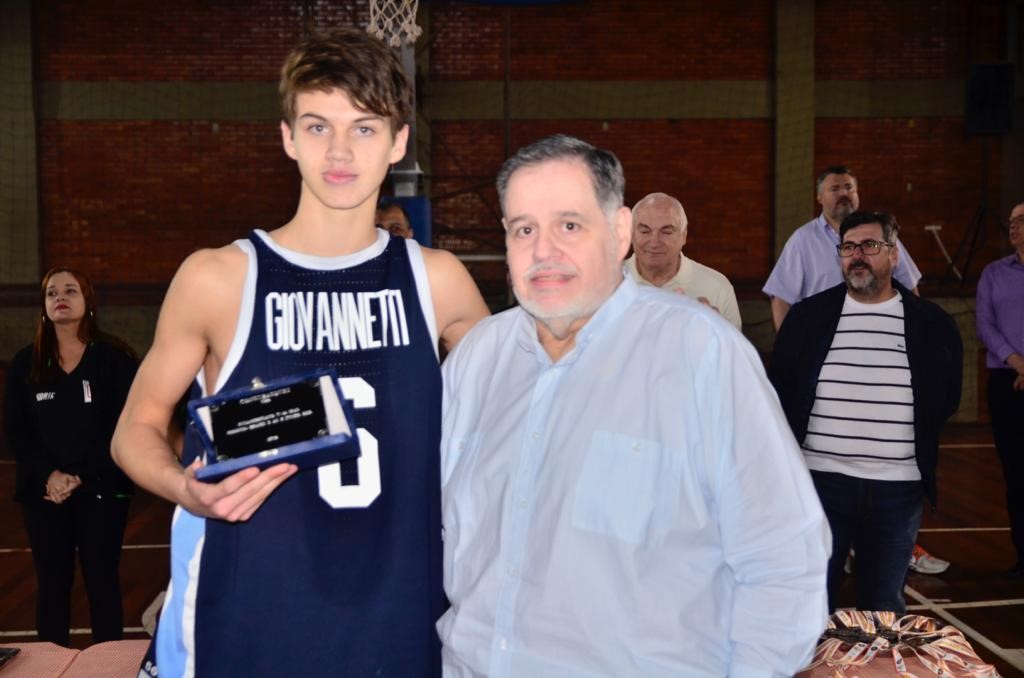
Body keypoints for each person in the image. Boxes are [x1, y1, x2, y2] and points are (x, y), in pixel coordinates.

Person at [111, 28, 488, 677]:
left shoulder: (439, 280)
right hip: (249, 616)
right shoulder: (218, 278)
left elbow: (515, 420)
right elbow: (134, 429)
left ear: (399, 141)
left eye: (364, 128)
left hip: (398, 621)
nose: (340, 151)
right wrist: (185, 488)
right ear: (288, 136)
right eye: (318, 127)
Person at [439, 134, 829, 677]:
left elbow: (784, 557)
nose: (543, 250)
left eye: (569, 225)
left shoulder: (701, 354)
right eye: (523, 228)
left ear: (619, 232)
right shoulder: (478, 359)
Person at [770, 211, 962, 613]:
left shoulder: (933, 325)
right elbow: (782, 389)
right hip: (819, 486)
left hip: (897, 490)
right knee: (808, 605)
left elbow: (945, 399)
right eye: (848, 248)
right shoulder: (806, 319)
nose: (857, 256)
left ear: (894, 255)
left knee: (882, 609)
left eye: (870, 246)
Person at [4, 267, 138, 646]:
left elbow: (123, 424)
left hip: (101, 488)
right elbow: (17, 431)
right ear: (44, 306)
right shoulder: (24, 363)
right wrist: (50, 475)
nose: (59, 297)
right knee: (51, 585)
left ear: (87, 301)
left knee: (102, 582)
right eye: (51, 293)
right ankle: (52, 666)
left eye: (70, 290)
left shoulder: (115, 360)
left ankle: (110, 666)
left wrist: (78, 475)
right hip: (44, 493)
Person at [763, 166, 921, 331]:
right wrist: (789, 347)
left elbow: (909, 288)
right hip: (820, 340)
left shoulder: (881, 233)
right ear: (819, 197)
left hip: (880, 333)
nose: (843, 194)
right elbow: (781, 297)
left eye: (849, 187)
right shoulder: (803, 240)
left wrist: (914, 333)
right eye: (834, 189)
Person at [975, 200, 1024, 578]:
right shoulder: (994, 273)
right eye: (1011, 221)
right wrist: (1017, 362)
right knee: (1016, 473)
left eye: (1021, 221)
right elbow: (985, 325)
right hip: (1008, 382)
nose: (1013, 227)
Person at [625, 191, 742, 329]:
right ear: (631, 235)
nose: (654, 242)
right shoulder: (607, 283)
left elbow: (734, 349)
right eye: (645, 231)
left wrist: (716, 333)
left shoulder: (717, 287)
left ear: (684, 236)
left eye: (666, 232)